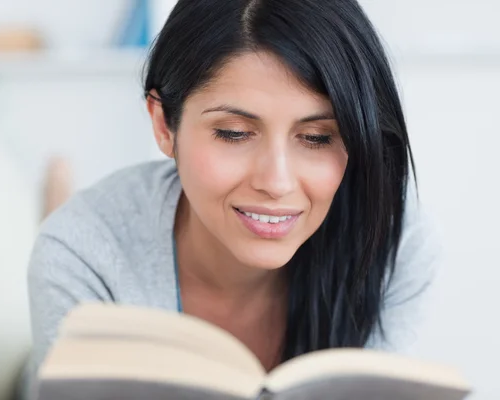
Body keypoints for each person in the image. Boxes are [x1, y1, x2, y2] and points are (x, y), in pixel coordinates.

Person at [23, 0, 438, 396]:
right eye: (234, 133)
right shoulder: (82, 254)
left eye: (316, 137)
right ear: (164, 124)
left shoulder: (394, 240)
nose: (276, 182)